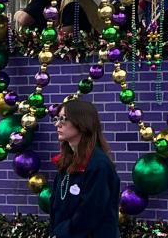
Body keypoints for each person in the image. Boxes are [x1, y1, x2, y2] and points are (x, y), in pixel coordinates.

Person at [50, 100, 120, 238]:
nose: (57, 124)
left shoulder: (99, 165)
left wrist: (63, 231)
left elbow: (90, 214)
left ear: (81, 122)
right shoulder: (67, 162)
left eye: (63, 119)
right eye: (57, 119)